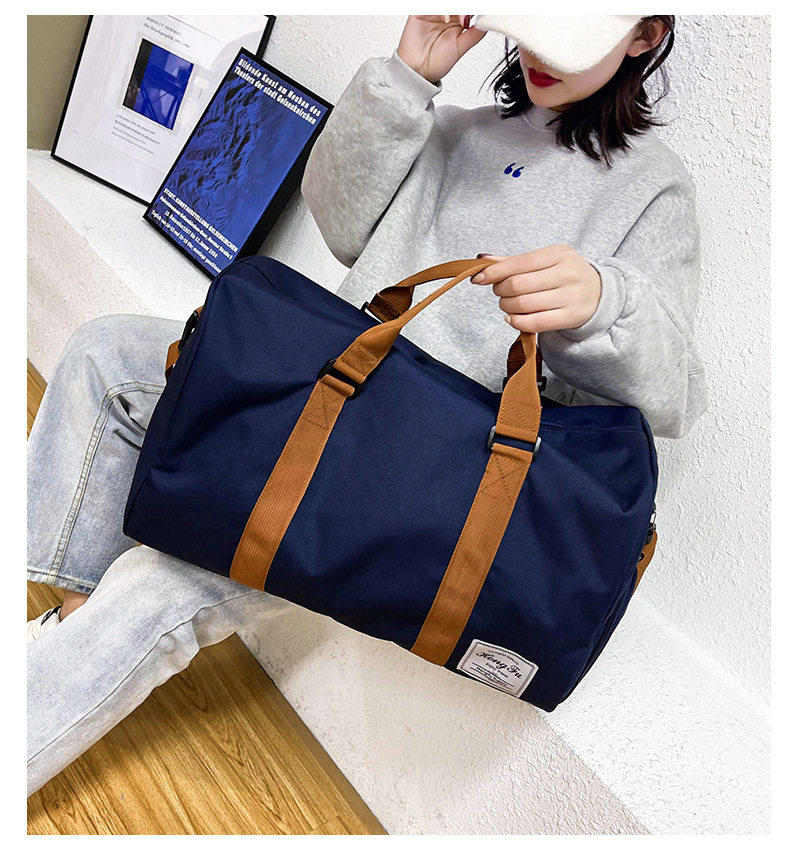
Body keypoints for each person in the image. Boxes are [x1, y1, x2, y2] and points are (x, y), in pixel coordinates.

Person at [27, 14, 708, 796]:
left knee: (162, 581)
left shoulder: (652, 187)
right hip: (328, 401)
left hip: (419, 476)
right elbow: (345, 226)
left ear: (644, 37)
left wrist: (601, 304)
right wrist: (405, 81)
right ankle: (72, 619)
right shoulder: (459, 131)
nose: (540, 52)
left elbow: (676, 394)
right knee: (108, 353)